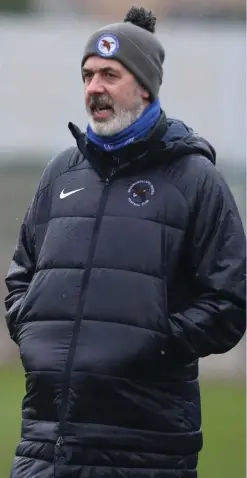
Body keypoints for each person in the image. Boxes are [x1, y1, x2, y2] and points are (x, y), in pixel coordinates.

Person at [5, 6, 246, 478]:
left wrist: (153, 342)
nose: (94, 87)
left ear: (144, 86)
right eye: (88, 74)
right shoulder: (60, 174)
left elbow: (230, 298)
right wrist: (32, 332)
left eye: (110, 74)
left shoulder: (194, 179)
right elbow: (21, 276)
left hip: (146, 447)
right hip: (45, 445)